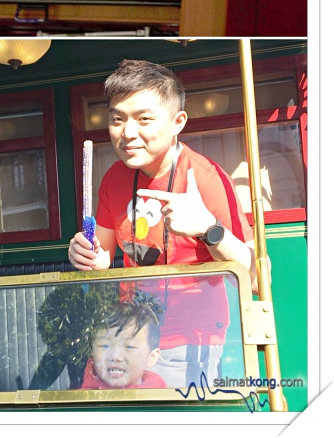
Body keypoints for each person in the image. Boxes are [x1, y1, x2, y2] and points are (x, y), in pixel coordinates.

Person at [67, 59, 255, 388]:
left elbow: (255, 274)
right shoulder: (113, 177)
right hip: (127, 335)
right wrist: (88, 255)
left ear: (177, 121)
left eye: (144, 120)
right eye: (117, 120)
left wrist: (207, 228)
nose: (127, 134)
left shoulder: (207, 178)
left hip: (189, 340)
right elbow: (103, 257)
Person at [81, 296, 166, 389]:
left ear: (152, 357)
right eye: (104, 346)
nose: (115, 357)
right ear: (92, 351)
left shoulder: (157, 392)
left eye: (129, 347)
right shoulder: (82, 399)